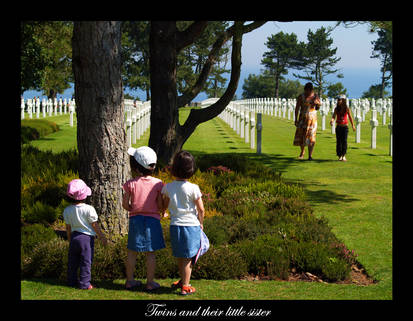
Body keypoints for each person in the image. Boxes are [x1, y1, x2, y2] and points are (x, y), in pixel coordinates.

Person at [161, 150, 205, 296]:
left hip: (175, 225)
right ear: (191, 169)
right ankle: (185, 286)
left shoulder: (168, 187)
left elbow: (164, 204)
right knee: (188, 257)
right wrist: (201, 222)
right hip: (190, 225)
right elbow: (201, 209)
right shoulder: (194, 188)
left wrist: (163, 213)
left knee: (181, 256)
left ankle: (182, 280)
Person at [122, 146, 166, 291]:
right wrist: (161, 211)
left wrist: (132, 209)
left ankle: (129, 280)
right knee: (150, 252)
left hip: (136, 219)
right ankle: (150, 282)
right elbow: (159, 204)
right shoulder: (158, 184)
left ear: (136, 167)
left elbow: (125, 204)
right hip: (152, 220)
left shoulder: (130, 184)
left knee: (132, 251)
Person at [64, 179, 108, 290]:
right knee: (86, 261)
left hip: (74, 237)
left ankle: (71, 281)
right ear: (85, 196)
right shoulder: (89, 209)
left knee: (72, 261)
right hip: (86, 239)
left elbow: (68, 227)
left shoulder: (67, 210)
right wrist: (102, 236)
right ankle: (84, 284)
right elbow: (94, 225)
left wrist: (69, 239)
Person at [293, 82, 321, 160]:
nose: (308, 92)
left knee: (312, 136)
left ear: (312, 90)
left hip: (312, 119)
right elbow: (297, 108)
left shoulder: (315, 96)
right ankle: (302, 152)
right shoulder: (301, 97)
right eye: (307, 90)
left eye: (309, 91)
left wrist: (317, 104)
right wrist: (296, 119)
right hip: (303, 118)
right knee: (302, 136)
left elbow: (318, 108)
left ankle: (310, 155)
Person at [330, 94, 356, 161]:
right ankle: (339, 155)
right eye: (338, 100)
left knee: (344, 141)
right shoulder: (336, 108)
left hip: (345, 127)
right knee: (338, 142)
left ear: (343, 101)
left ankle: (343, 155)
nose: (338, 101)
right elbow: (334, 116)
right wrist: (332, 120)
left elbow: (350, 117)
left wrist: (353, 125)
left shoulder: (346, 108)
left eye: (340, 100)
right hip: (338, 127)